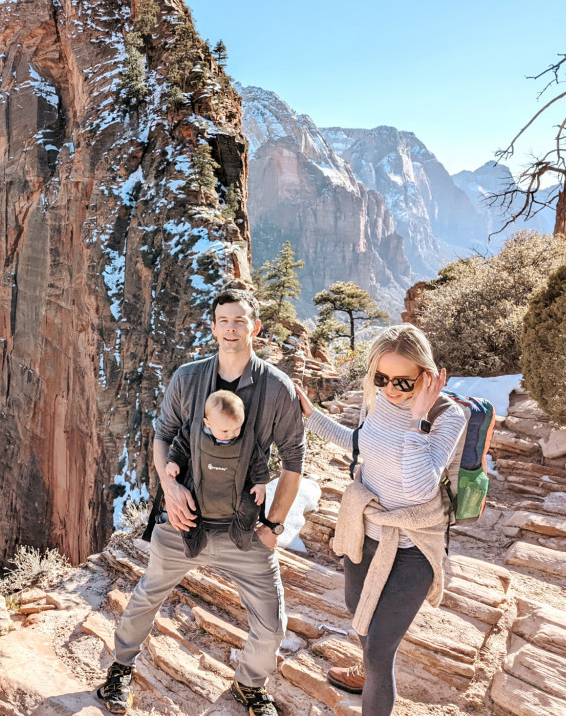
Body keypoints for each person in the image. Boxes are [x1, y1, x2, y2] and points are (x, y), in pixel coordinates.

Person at [97, 288, 305, 716]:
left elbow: (293, 460)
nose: (231, 329)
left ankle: (250, 685)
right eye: (223, 321)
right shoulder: (188, 379)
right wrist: (170, 490)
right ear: (213, 327)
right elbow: (162, 435)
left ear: (255, 328)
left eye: (240, 321)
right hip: (184, 520)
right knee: (146, 596)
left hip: (243, 529)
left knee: (272, 622)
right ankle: (119, 671)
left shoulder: (275, 388)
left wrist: (275, 527)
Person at [294, 324, 465, 716]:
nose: (391, 389)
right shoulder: (379, 402)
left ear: (425, 374)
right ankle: (367, 669)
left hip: (414, 543)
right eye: (381, 377)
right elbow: (361, 443)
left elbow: (421, 485)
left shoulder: (445, 416)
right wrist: (311, 416)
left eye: (403, 381)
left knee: (380, 650)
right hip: (366, 529)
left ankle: (371, 675)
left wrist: (418, 419)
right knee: (361, 620)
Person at [162, 389, 269, 557]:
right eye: (225, 431)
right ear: (208, 423)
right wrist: (173, 461)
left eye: (237, 428)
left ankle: (241, 533)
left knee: (252, 504)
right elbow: (180, 445)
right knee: (186, 508)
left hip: (235, 490)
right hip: (200, 488)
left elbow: (258, 461)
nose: (232, 434)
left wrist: (260, 483)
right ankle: (194, 540)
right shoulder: (194, 430)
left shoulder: (246, 440)